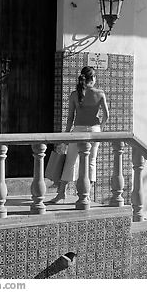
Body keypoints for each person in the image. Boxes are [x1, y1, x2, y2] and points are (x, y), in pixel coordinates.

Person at [47, 66, 109, 204]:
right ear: (92, 78)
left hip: (78, 131)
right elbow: (106, 115)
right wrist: (100, 128)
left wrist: (66, 136)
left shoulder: (74, 94)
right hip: (94, 131)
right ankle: (86, 195)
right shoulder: (100, 94)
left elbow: (70, 118)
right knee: (92, 161)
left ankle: (61, 193)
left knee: (71, 161)